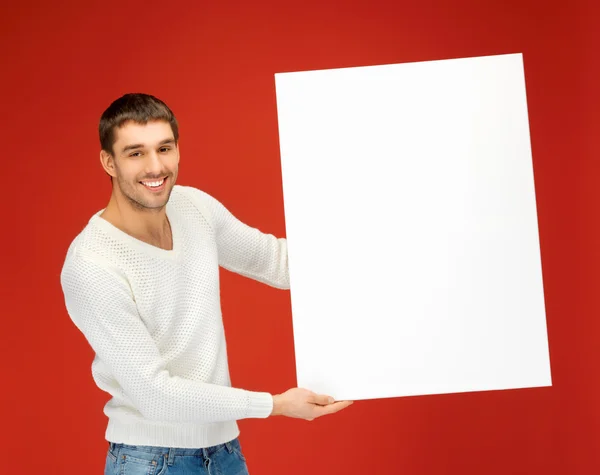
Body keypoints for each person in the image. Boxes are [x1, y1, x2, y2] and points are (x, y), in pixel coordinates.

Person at [59, 93, 353, 475]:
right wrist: (275, 405)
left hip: (224, 451)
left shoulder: (192, 207)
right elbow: (156, 395)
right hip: (149, 460)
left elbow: (277, 263)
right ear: (108, 162)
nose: (155, 166)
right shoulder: (92, 264)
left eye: (164, 148)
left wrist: (383, 252)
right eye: (135, 153)